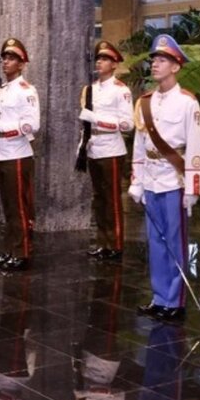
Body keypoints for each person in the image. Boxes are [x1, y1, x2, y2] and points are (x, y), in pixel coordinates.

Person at [128, 34, 200, 322]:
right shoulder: (145, 102)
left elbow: (195, 147)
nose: (155, 65)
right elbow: (138, 144)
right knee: (155, 242)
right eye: (154, 60)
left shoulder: (187, 103)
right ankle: (159, 297)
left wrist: (193, 187)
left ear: (176, 67)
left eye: (162, 60)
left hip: (175, 180)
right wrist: (136, 181)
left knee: (174, 241)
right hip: (151, 179)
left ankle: (175, 300)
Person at [0, 38, 40, 271]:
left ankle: (23, 253)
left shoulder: (26, 90)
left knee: (19, 206)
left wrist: (2, 126)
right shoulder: (3, 89)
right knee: (8, 207)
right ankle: (10, 250)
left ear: (22, 64)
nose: (6, 62)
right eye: (4, 58)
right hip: (2, 153)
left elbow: (32, 125)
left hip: (18, 153)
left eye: (12, 58)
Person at [79, 41, 134, 260]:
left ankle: (116, 244)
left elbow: (128, 124)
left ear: (114, 64)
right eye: (98, 59)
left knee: (112, 199)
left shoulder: (121, 90)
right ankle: (102, 242)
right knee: (98, 199)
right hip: (94, 147)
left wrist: (98, 119)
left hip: (112, 148)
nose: (99, 62)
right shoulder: (90, 89)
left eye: (104, 59)